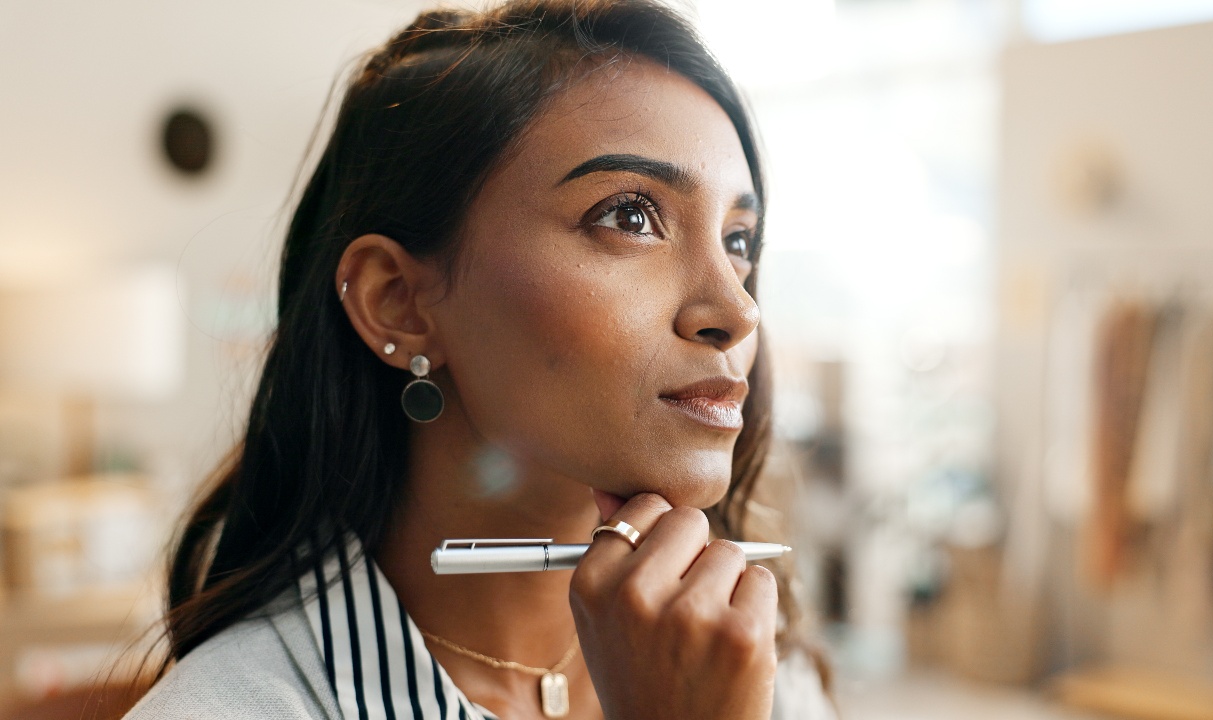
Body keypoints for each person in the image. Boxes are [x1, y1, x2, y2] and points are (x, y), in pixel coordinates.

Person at [125, 1, 837, 718]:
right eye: (629, 216)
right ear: (396, 301)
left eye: (738, 241)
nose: (738, 311)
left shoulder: (755, 663)